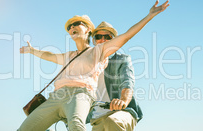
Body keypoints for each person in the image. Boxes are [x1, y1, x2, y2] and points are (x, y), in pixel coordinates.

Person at [18, 0, 169, 130]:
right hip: (69, 102)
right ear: (93, 36)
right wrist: (32, 50)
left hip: (96, 101)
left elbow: (127, 38)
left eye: (77, 24)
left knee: (85, 124)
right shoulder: (70, 55)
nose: (72, 27)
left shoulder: (103, 53)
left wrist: (150, 16)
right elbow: (49, 56)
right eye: (69, 26)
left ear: (88, 29)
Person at [87, 21, 143, 131]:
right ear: (94, 41)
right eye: (98, 36)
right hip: (97, 118)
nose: (103, 40)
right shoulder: (88, 64)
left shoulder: (122, 59)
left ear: (114, 40)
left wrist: (123, 100)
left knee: (112, 121)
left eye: (107, 37)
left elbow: (127, 81)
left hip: (122, 112)